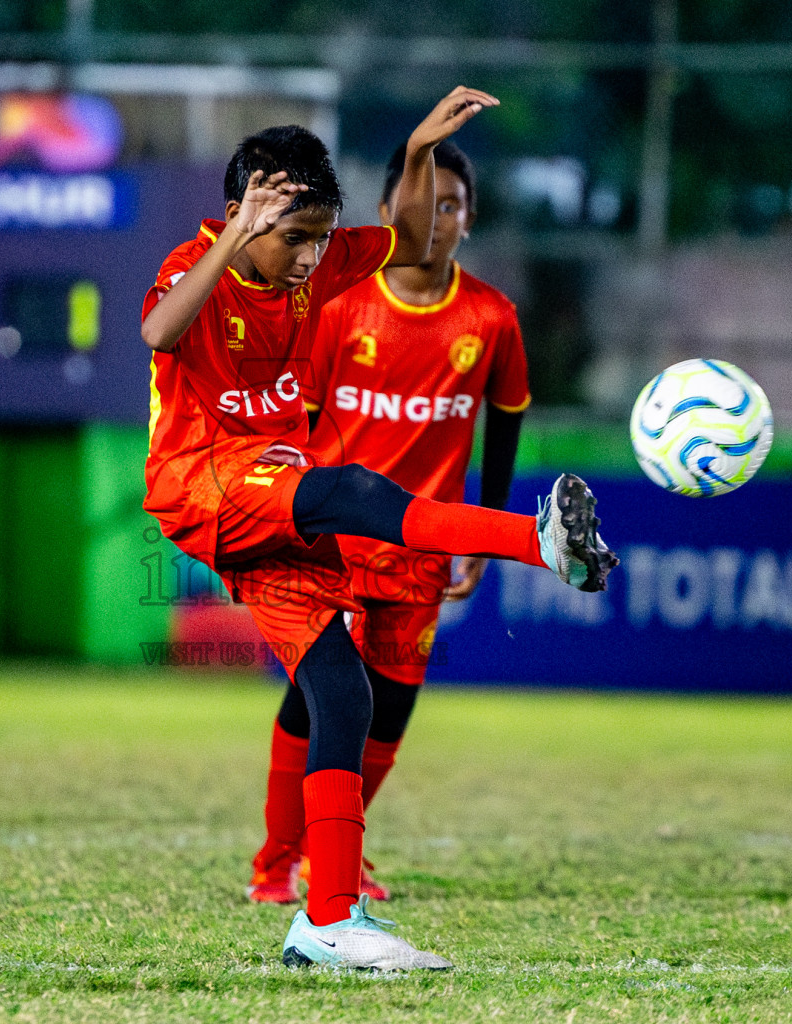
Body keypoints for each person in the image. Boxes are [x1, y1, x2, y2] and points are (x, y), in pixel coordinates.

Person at [140, 86, 618, 971]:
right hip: (201, 478)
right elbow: (162, 331)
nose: (311, 255)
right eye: (294, 237)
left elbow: (407, 234)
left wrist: (416, 149)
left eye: (321, 236)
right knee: (355, 490)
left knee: (345, 694)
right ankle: (538, 541)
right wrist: (239, 235)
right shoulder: (196, 262)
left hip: (263, 507)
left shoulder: (323, 266)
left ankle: (325, 922)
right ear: (242, 217)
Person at [247, 140, 529, 907]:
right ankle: (277, 864)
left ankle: (334, 854)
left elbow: (504, 423)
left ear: (470, 219)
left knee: (390, 712)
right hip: (334, 543)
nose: (433, 220)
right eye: (418, 203)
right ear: (383, 215)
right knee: (321, 698)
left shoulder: (491, 318)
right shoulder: (339, 305)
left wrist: (488, 533)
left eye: (450, 205)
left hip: (422, 551)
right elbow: (292, 423)